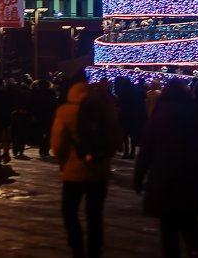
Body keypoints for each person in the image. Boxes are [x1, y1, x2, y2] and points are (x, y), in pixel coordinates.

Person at [134, 79, 198, 258]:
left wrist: (139, 177)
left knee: (168, 229)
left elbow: (146, 150)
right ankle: (195, 250)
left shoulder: (158, 116)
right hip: (190, 178)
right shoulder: (193, 114)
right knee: (189, 222)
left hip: (164, 180)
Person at [51, 72, 120, 258]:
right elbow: (114, 137)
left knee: (70, 211)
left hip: (74, 172)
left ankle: (77, 247)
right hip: (99, 170)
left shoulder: (65, 111)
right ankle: (95, 250)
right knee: (95, 214)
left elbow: (57, 144)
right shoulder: (103, 109)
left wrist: (63, 163)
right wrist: (105, 157)